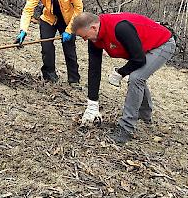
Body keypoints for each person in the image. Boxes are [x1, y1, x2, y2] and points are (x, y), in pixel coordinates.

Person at [71, 11, 176, 145]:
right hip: (143, 47)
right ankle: (144, 115)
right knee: (138, 77)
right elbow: (94, 69)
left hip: (163, 43)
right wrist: (92, 104)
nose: (85, 40)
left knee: (136, 77)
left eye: (85, 36)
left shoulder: (119, 28)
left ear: (93, 28)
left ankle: (126, 128)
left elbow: (138, 60)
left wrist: (120, 72)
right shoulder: (95, 39)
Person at [16, 0, 83, 84]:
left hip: (68, 20)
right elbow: (28, 9)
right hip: (48, 19)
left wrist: (69, 30)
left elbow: (78, 8)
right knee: (46, 48)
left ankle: (74, 80)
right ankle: (49, 75)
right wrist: (23, 30)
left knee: (69, 50)